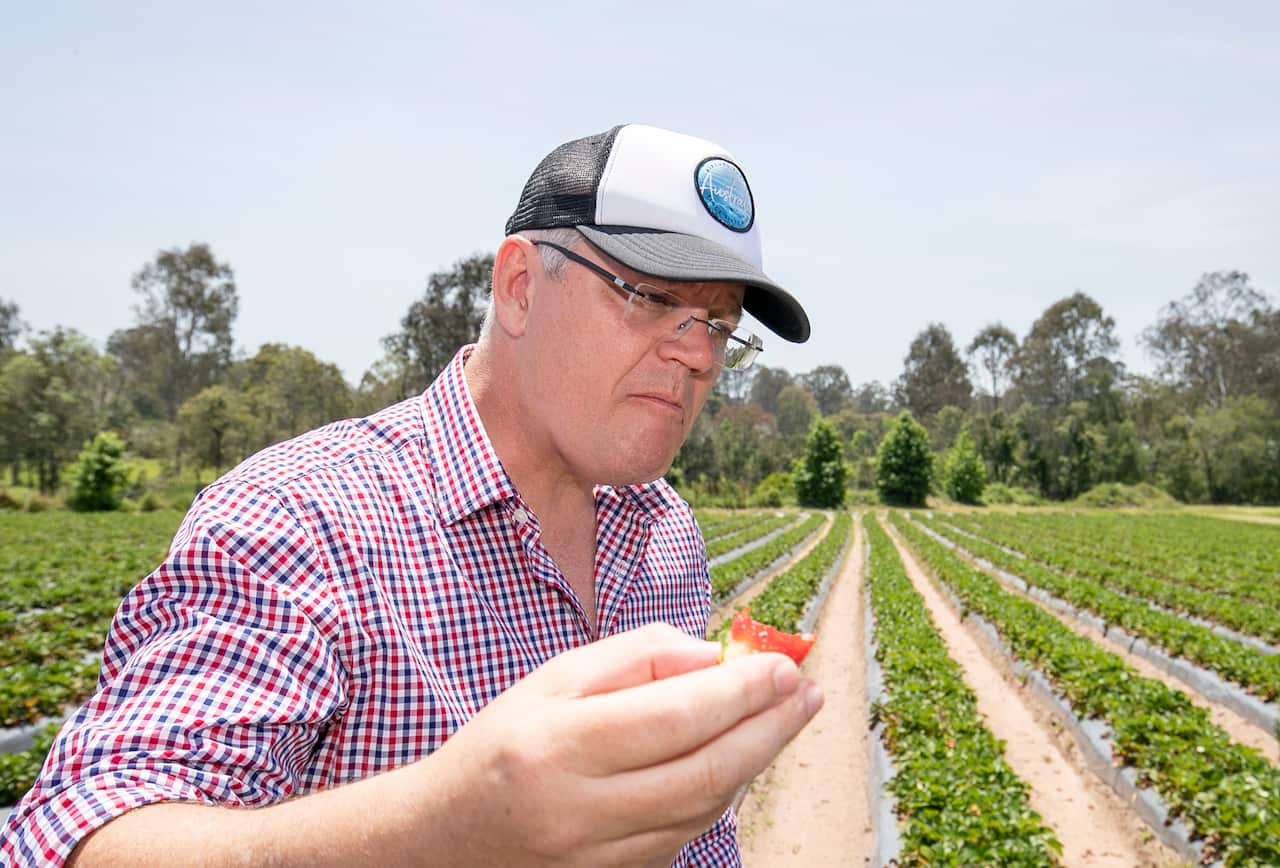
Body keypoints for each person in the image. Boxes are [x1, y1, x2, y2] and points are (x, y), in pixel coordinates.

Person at [1, 123, 818, 867]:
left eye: (718, 323)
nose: (698, 356)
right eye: (652, 298)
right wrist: (442, 828)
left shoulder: (666, 531)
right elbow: (84, 835)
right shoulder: (301, 518)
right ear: (521, 286)